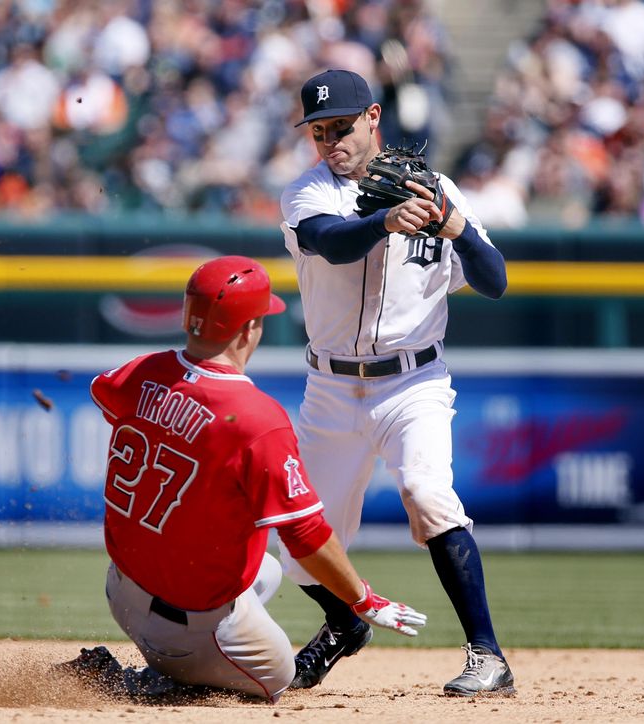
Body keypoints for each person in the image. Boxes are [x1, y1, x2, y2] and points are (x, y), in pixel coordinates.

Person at [85, 255, 426, 703]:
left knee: (264, 570)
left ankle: (176, 660)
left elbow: (105, 391)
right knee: (278, 676)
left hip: (121, 590)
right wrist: (363, 600)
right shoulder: (256, 419)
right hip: (188, 625)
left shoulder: (143, 370)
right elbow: (305, 534)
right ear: (248, 330)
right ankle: (139, 681)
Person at [278, 69, 514, 697]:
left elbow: (495, 281)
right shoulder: (309, 192)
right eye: (320, 132)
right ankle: (344, 624)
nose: (332, 143)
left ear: (373, 118)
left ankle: (487, 656)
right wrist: (386, 219)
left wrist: (454, 225)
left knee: (428, 496)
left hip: (414, 383)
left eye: (343, 128)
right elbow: (330, 242)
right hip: (329, 389)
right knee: (298, 544)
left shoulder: (436, 190)